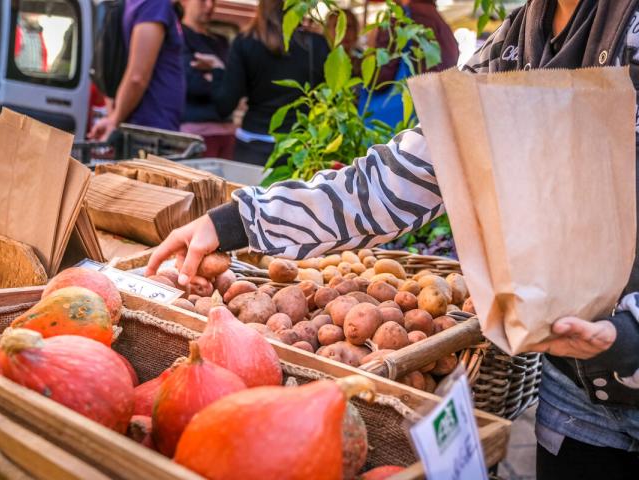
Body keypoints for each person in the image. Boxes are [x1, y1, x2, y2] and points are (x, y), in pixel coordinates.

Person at [147, 1, 639, 478]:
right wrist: (236, 223)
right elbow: (401, 178)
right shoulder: (515, 42)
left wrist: (631, 334)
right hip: (578, 392)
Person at [206, 0, 330, 166]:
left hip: (252, 147)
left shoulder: (245, 42)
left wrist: (217, 71)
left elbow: (225, 105)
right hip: (300, 150)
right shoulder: (317, 44)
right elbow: (332, 99)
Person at [89, 0, 185, 141]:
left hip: (148, 127)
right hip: (150, 130)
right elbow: (137, 77)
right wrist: (115, 120)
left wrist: (114, 117)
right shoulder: (155, 4)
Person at [179, 0, 235, 159]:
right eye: (202, 0)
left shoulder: (221, 41)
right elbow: (193, 84)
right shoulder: (179, 36)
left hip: (227, 131)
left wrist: (214, 70)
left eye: (213, 1)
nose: (210, 5)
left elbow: (235, 85)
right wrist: (221, 74)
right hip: (195, 133)